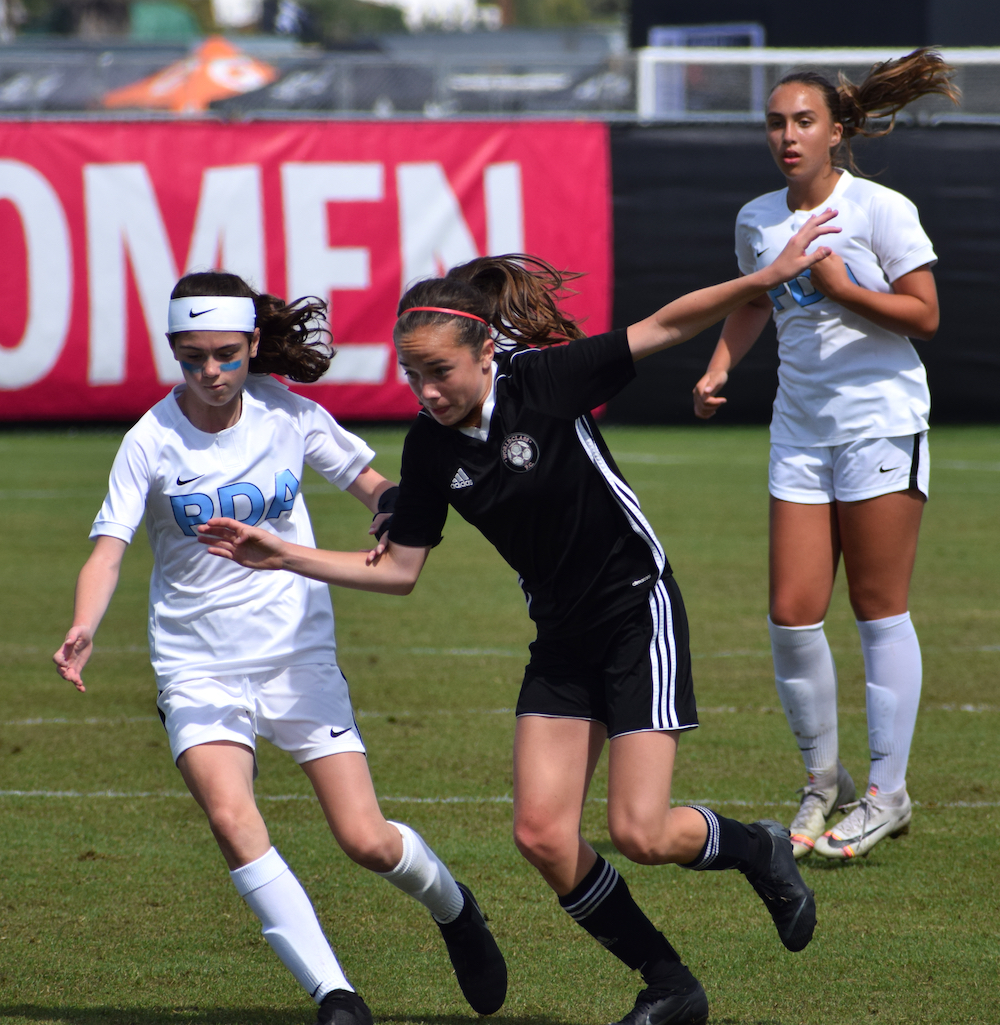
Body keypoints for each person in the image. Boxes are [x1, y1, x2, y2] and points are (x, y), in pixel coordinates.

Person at [198, 219, 838, 1025]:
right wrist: (283, 552)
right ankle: (670, 984)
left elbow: (667, 324)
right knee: (541, 835)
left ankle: (756, 847)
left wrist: (764, 278)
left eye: (440, 372)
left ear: (485, 354)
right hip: (562, 638)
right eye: (411, 375)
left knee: (640, 829)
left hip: (636, 609)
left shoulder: (545, 381)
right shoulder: (429, 448)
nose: (427, 391)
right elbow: (398, 571)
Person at [52, 272, 507, 1025]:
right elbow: (108, 549)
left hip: (297, 657)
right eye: (191, 356)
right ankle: (335, 995)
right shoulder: (150, 439)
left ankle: (456, 909)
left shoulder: (290, 416)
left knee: (365, 839)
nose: (209, 372)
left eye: (226, 354)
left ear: (254, 344)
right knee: (233, 819)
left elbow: (374, 485)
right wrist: (85, 622)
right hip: (196, 664)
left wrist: (394, 510)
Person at [692, 50, 959, 862]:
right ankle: (823, 781)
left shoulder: (881, 209)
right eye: (776, 122)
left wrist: (844, 290)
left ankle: (888, 792)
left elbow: (925, 315)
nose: (787, 135)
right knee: (791, 612)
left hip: (880, 424)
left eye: (803, 121)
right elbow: (756, 298)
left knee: (879, 609)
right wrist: (720, 362)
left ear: (837, 131)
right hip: (799, 431)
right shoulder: (757, 217)